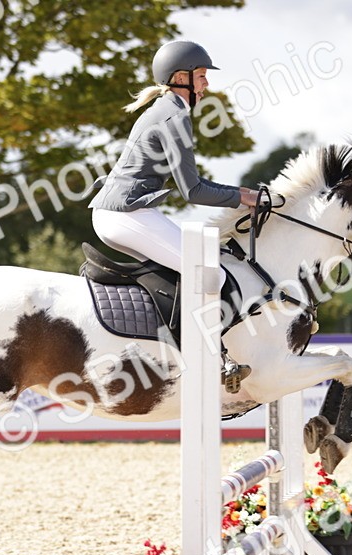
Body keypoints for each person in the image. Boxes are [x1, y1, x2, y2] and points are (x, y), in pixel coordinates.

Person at [89, 40, 259, 391]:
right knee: (209, 272)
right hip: (126, 215)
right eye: (200, 77)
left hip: (122, 213)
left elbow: (194, 184)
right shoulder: (175, 116)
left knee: (186, 269)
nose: (206, 85)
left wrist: (241, 196)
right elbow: (193, 191)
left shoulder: (166, 110)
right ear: (180, 77)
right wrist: (245, 197)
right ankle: (208, 359)